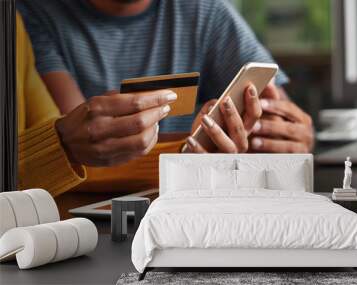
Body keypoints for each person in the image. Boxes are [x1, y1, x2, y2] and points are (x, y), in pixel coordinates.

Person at [18, 0, 314, 154]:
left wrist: (292, 136)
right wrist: (192, 147)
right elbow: (83, 145)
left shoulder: (203, 11)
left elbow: (276, 112)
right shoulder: (30, 15)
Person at [16, 11, 259, 199]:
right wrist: (64, 145)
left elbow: (56, 161)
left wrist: (189, 154)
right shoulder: (32, 15)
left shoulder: (14, 26)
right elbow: (55, 152)